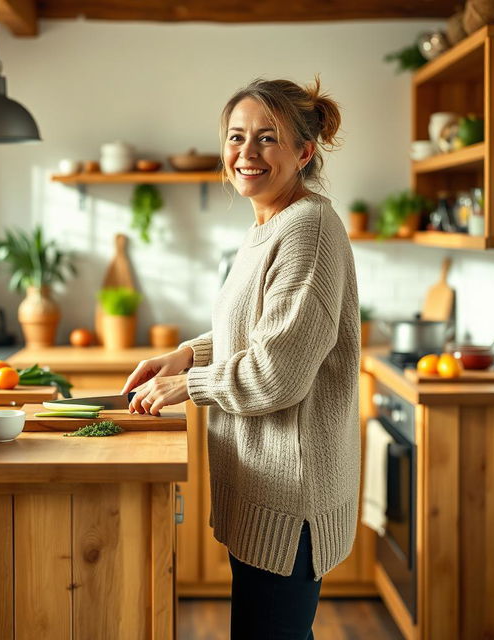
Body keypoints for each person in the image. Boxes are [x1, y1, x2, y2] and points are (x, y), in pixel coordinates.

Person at [120, 77, 360, 639]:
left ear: (305, 151)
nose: (246, 154)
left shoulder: (309, 229)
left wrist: (191, 385)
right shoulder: (268, 226)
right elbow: (252, 332)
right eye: (236, 137)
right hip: (261, 490)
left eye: (267, 139)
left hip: (289, 498)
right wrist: (184, 356)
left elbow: (277, 372)